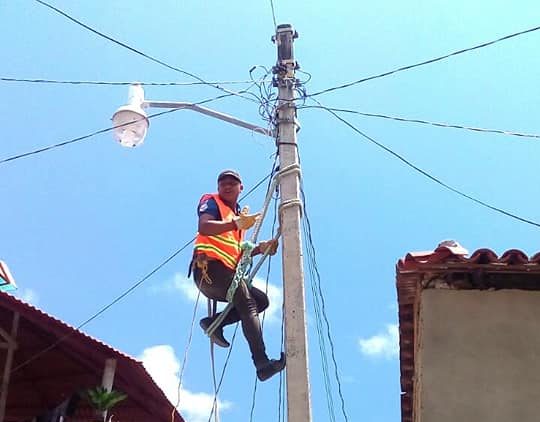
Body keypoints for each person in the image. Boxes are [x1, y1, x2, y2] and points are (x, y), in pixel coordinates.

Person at [190, 169, 285, 382]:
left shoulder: (236, 216)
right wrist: (236, 224)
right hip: (209, 271)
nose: (227, 185)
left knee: (261, 301)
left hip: (225, 274)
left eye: (232, 182)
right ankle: (262, 365)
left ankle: (214, 322)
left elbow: (236, 249)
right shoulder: (212, 202)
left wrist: (262, 248)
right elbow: (204, 227)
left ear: (240, 187)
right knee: (248, 304)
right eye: (222, 182)